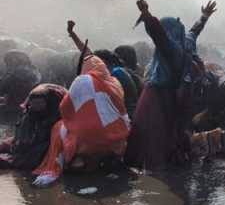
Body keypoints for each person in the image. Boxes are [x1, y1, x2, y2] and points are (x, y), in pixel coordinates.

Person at [125, 0, 216, 170]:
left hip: (157, 98)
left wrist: (147, 14)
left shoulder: (171, 50)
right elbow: (194, 31)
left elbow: (159, 35)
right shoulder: (185, 44)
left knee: (150, 136)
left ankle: (152, 167)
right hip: (176, 97)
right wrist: (204, 17)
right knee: (172, 132)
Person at [32, 42, 130, 186]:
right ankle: (110, 157)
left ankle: (74, 160)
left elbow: (65, 108)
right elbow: (121, 110)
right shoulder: (113, 82)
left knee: (59, 127)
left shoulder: (81, 81)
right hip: (116, 138)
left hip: (86, 141)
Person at [0, 84, 67, 170]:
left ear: (46, 103)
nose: (37, 106)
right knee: (9, 144)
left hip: (48, 142)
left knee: (30, 157)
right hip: (30, 139)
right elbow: (22, 135)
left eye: (40, 103)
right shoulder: (29, 113)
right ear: (30, 103)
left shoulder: (56, 112)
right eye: (34, 103)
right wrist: (19, 145)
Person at [0, 50, 42, 116]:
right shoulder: (35, 70)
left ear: (12, 61)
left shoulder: (13, 73)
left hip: (12, 108)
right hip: (30, 106)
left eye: (7, 62)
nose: (6, 65)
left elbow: (2, 88)